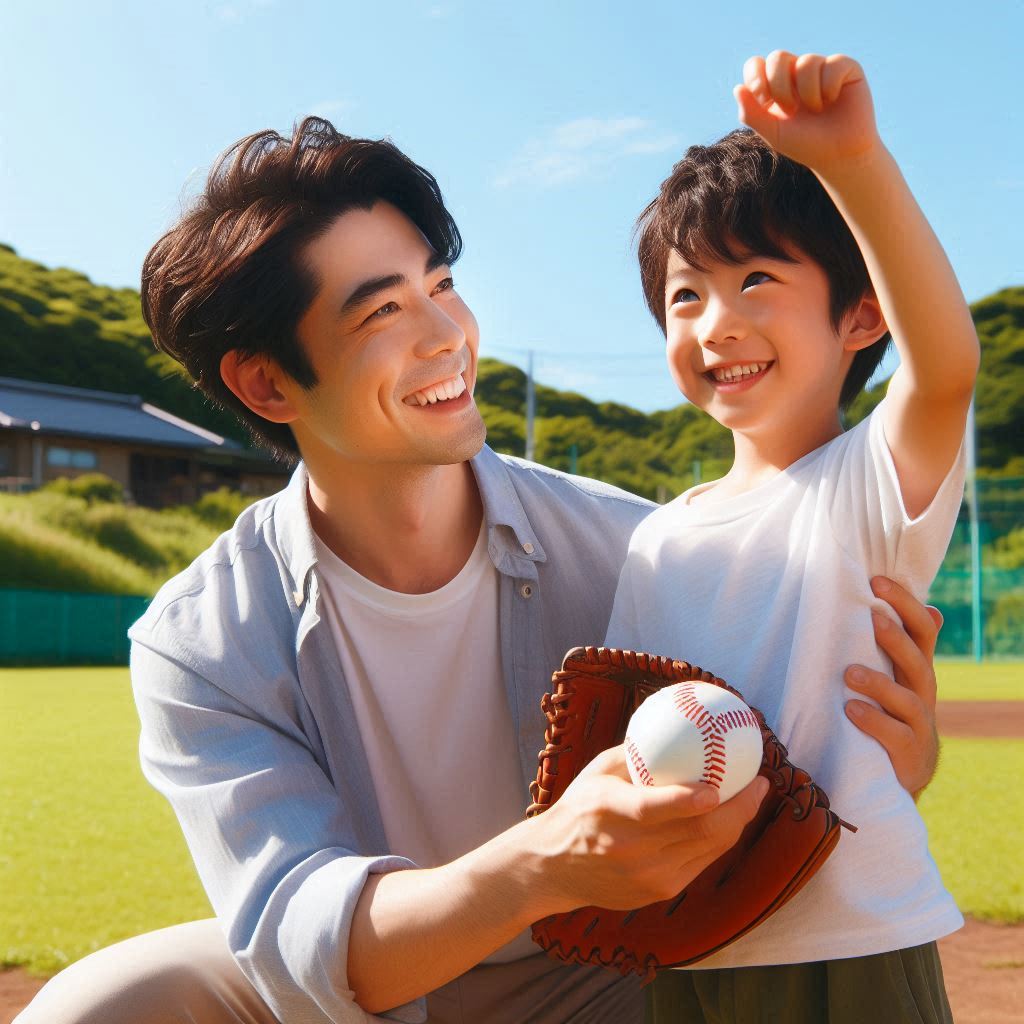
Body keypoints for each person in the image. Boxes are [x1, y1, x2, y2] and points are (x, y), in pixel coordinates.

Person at [17, 116, 947, 1024]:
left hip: (607, 971)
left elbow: (788, 715)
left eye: (442, 285)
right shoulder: (202, 639)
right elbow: (308, 938)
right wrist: (543, 862)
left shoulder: (634, 543)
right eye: (383, 309)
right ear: (268, 383)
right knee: (95, 1008)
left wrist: (894, 753)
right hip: (383, 986)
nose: (445, 336)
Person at [607, 51, 978, 1023]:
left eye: (757, 278)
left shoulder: (862, 484)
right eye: (685, 295)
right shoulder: (656, 542)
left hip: (852, 941)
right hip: (687, 944)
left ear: (858, 316)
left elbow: (942, 367)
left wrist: (852, 161)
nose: (715, 323)